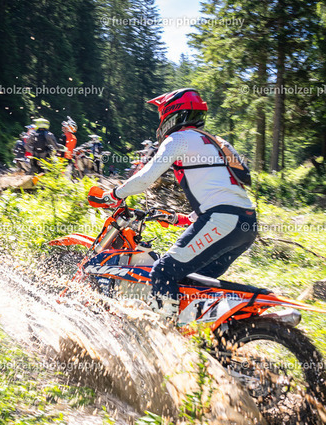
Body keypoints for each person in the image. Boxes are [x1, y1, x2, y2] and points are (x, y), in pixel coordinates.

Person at [89, 88, 257, 319]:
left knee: (163, 271)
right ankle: (205, 330)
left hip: (221, 220)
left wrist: (114, 194)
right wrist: (186, 219)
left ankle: (163, 330)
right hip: (245, 224)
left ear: (172, 115)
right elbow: (224, 190)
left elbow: (146, 178)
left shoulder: (179, 139)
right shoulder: (215, 141)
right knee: (191, 283)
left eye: (162, 116)